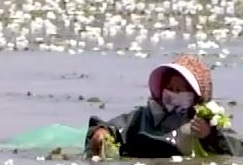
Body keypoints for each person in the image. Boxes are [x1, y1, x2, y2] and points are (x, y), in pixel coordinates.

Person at [86, 54, 243, 158]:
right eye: (170, 88)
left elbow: (234, 150)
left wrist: (209, 136)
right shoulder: (144, 116)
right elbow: (116, 127)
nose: (173, 94)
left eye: (180, 90)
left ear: (196, 95)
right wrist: (102, 132)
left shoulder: (208, 123)